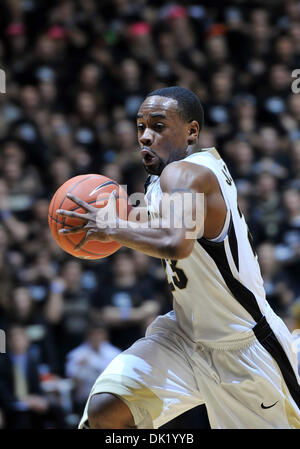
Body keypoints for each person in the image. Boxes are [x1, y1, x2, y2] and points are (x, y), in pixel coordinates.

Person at [57, 86, 300, 429]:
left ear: (191, 131)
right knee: (105, 411)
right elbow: (156, 226)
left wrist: (112, 227)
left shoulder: (186, 173)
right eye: (140, 126)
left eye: (158, 126)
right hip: (184, 336)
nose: (145, 136)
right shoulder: (162, 182)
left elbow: (176, 242)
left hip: (244, 348)